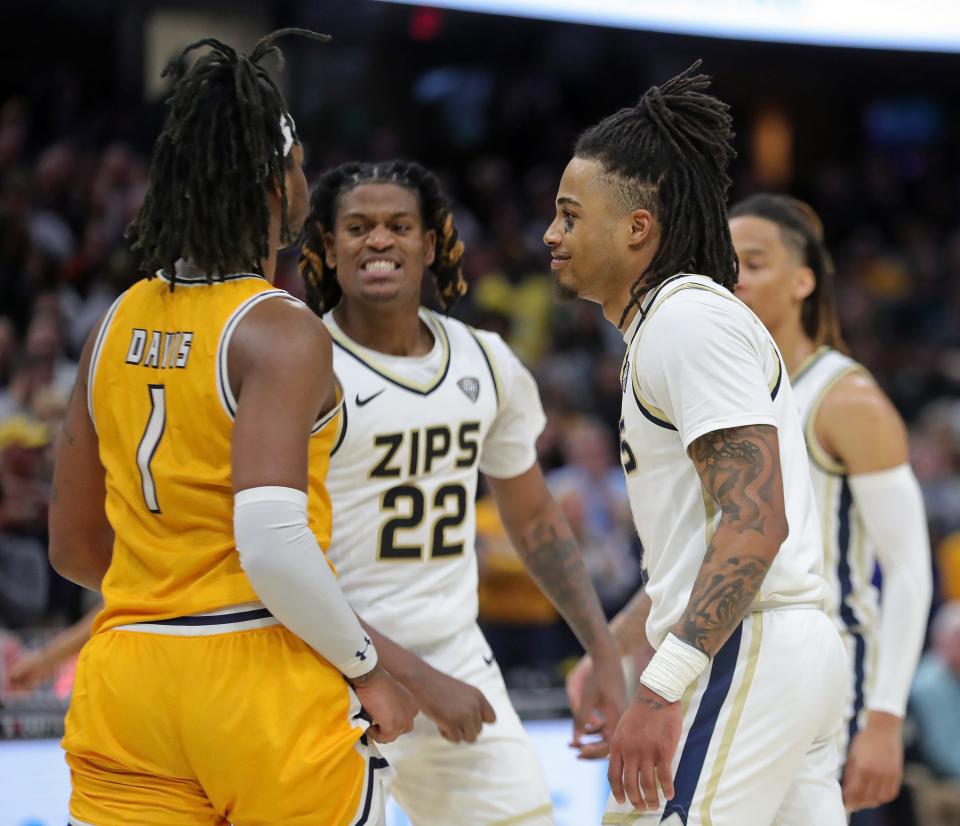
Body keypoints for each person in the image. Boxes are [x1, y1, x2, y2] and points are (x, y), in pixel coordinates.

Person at [48, 32, 416, 826]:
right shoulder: (277, 331)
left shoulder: (110, 325)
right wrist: (368, 667)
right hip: (261, 677)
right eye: (299, 164)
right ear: (272, 179)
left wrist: (170, 589)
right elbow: (273, 540)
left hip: (128, 679)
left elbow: (74, 547)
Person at [546, 63, 847, 824]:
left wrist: (659, 685)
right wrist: (618, 646)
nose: (552, 235)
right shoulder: (673, 326)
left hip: (749, 651)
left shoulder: (685, 322)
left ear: (637, 227)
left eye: (570, 215)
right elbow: (705, 533)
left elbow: (755, 521)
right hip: (778, 650)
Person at [299, 159, 626, 825]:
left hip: (455, 656)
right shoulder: (298, 364)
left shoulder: (485, 360)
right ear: (329, 249)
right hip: (321, 663)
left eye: (399, 225)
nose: (379, 241)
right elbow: (278, 554)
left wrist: (602, 648)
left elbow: (535, 520)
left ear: (430, 242)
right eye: (357, 227)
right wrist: (415, 680)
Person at [729, 193, 933, 814]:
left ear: (803, 280)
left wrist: (885, 719)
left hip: (831, 683)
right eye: (724, 262)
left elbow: (908, 569)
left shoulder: (846, 398)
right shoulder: (728, 392)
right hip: (742, 673)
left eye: (754, 262)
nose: (734, 277)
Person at [910, 601, 960, 780]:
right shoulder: (928, 684)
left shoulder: (955, 675)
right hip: (940, 781)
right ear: (941, 639)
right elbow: (941, 751)